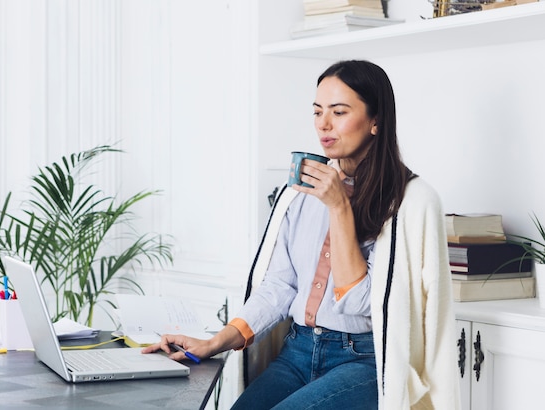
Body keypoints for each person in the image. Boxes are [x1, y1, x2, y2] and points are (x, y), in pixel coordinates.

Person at [143, 60, 460, 409]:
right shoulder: (299, 194)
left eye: (339, 112)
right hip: (298, 350)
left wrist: (339, 207)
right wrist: (216, 341)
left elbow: (359, 302)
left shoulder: (409, 202)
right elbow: (280, 285)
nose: (323, 124)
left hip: (366, 360)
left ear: (376, 121)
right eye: (317, 111)